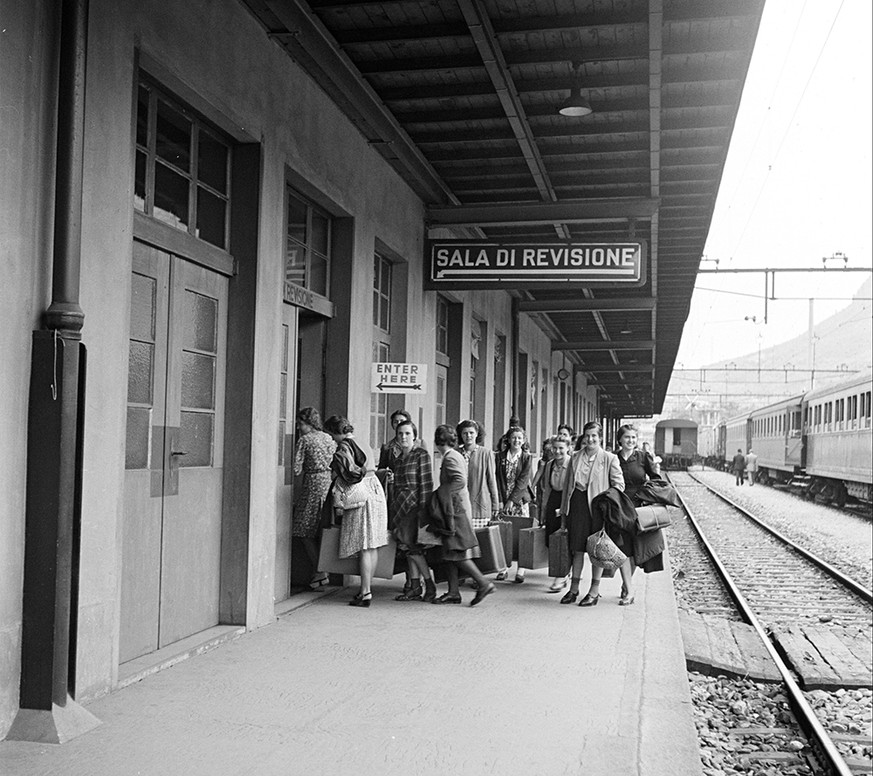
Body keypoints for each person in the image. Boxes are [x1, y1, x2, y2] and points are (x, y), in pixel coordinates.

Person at [323, 416, 389, 608]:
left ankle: (365, 591)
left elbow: (349, 473)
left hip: (360, 492)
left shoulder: (344, 445)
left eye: (331, 434)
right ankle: (366, 589)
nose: (332, 438)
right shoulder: (363, 442)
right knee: (373, 543)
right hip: (375, 488)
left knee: (365, 545)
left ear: (335, 431)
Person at [558, 420, 625, 606]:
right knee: (577, 549)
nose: (590, 439)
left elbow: (619, 485)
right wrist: (564, 513)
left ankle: (594, 592)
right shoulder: (575, 456)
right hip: (577, 507)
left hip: (598, 508)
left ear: (600, 438)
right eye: (587, 436)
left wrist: (607, 499)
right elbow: (567, 487)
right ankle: (573, 589)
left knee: (597, 550)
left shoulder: (609, 458)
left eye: (594, 435)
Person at [428, 424, 496, 606]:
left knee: (457, 550)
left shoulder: (450, 458)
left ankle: (483, 583)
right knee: (449, 551)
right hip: (456, 507)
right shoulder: (454, 455)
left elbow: (459, 480)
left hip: (456, 510)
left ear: (437, 442)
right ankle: (453, 592)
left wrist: (440, 493)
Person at [386, 419, 437, 602]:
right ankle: (415, 586)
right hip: (400, 510)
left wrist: (424, 513)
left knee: (415, 549)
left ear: (414, 436)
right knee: (408, 549)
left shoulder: (421, 455)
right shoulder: (398, 459)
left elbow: (426, 485)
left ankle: (429, 585)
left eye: (407, 433)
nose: (403, 437)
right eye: (400, 433)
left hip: (415, 509)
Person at [614, 423, 662, 603]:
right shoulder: (613, 458)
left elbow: (656, 479)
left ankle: (627, 585)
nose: (631, 441)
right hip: (618, 507)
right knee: (622, 548)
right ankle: (630, 589)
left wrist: (649, 495)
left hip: (639, 508)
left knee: (635, 550)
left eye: (633, 438)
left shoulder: (643, 457)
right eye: (627, 437)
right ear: (620, 439)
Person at [291, 407, 336, 590]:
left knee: (303, 529)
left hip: (311, 484)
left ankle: (320, 570)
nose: (299, 427)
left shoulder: (304, 440)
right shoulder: (328, 438)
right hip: (328, 482)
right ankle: (322, 570)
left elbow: (296, 468)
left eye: (301, 423)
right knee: (322, 527)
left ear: (309, 423)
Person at [494, 425, 533, 582]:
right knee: (503, 532)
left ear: (523, 441)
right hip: (503, 500)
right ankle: (502, 568)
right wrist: (502, 500)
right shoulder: (500, 457)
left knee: (522, 534)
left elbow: (523, 481)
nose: (516, 440)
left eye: (519, 438)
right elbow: (497, 479)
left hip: (520, 501)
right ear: (508, 439)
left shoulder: (526, 458)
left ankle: (521, 570)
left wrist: (512, 501)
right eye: (514, 438)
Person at [538, 435, 571, 592]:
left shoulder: (572, 464)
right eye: (555, 448)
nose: (557, 451)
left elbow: (572, 489)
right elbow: (546, 489)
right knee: (551, 538)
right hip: (553, 500)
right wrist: (544, 510)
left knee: (564, 539)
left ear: (568, 449)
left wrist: (565, 509)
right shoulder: (549, 465)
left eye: (561, 448)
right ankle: (561, 570)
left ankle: (562, 576)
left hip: (568, 500)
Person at [456, 419, 499, 529]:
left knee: (480, 542)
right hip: (460, 505)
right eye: (465, 433)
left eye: (471, 433)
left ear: (477, 434)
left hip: (480, 506)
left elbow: (491, 480)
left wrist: (495, 505)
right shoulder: (456, 453)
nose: (468, 436)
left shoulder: (486, 453)